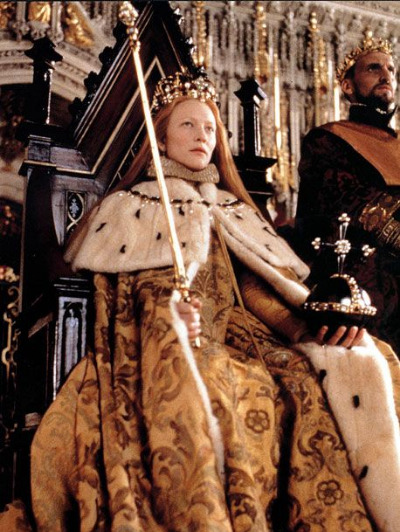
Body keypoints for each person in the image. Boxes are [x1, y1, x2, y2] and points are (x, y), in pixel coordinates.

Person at [4, 71, 400, 532]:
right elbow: (121, 294)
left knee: (328, 372)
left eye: (210, 128)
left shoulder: (232, 208)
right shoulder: (129, 207)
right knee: (220, 384)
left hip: (240, 332)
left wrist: (304, 331)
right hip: (162, 339)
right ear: (161, 137)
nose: (201, 136)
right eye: (188, 125)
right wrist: (169, 312)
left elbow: (255, 289)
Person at [293, 35, 400, 355]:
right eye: (373, 68)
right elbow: (345, 197)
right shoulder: (327, 139)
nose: (386, 75)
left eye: (391, 69)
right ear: (348, 86)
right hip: (364, 277)